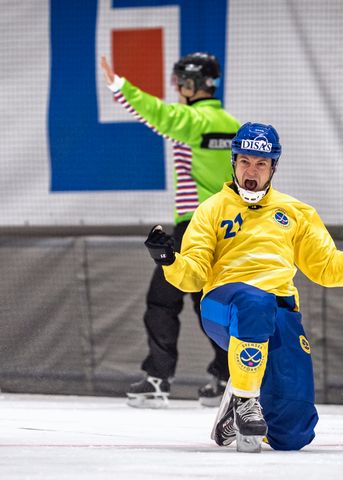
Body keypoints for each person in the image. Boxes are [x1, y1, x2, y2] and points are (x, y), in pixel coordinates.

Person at [143, 122, 343, 452]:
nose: (252, 171)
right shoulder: (210, 211)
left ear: (273, 167)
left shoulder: (297, 213)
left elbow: (327, 268)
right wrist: (169, 260)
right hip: (225, 306)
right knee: (255, 302)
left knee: (293, 434)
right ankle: (247, 401)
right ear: (233, 162)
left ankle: (234, 406)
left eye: (261, 164)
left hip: (280, 312)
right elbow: (193, 276)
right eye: (245, 162)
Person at [100, 52, 240, 408]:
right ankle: (228, 377)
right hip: (225, 226)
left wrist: (120, 87)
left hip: (193, 225)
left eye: (179, 82)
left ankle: (158, 378)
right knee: (209, 303)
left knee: (162, 301)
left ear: (192, 84)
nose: (176, 89)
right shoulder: (231, 124)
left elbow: (160, 115)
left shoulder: (193, 120)